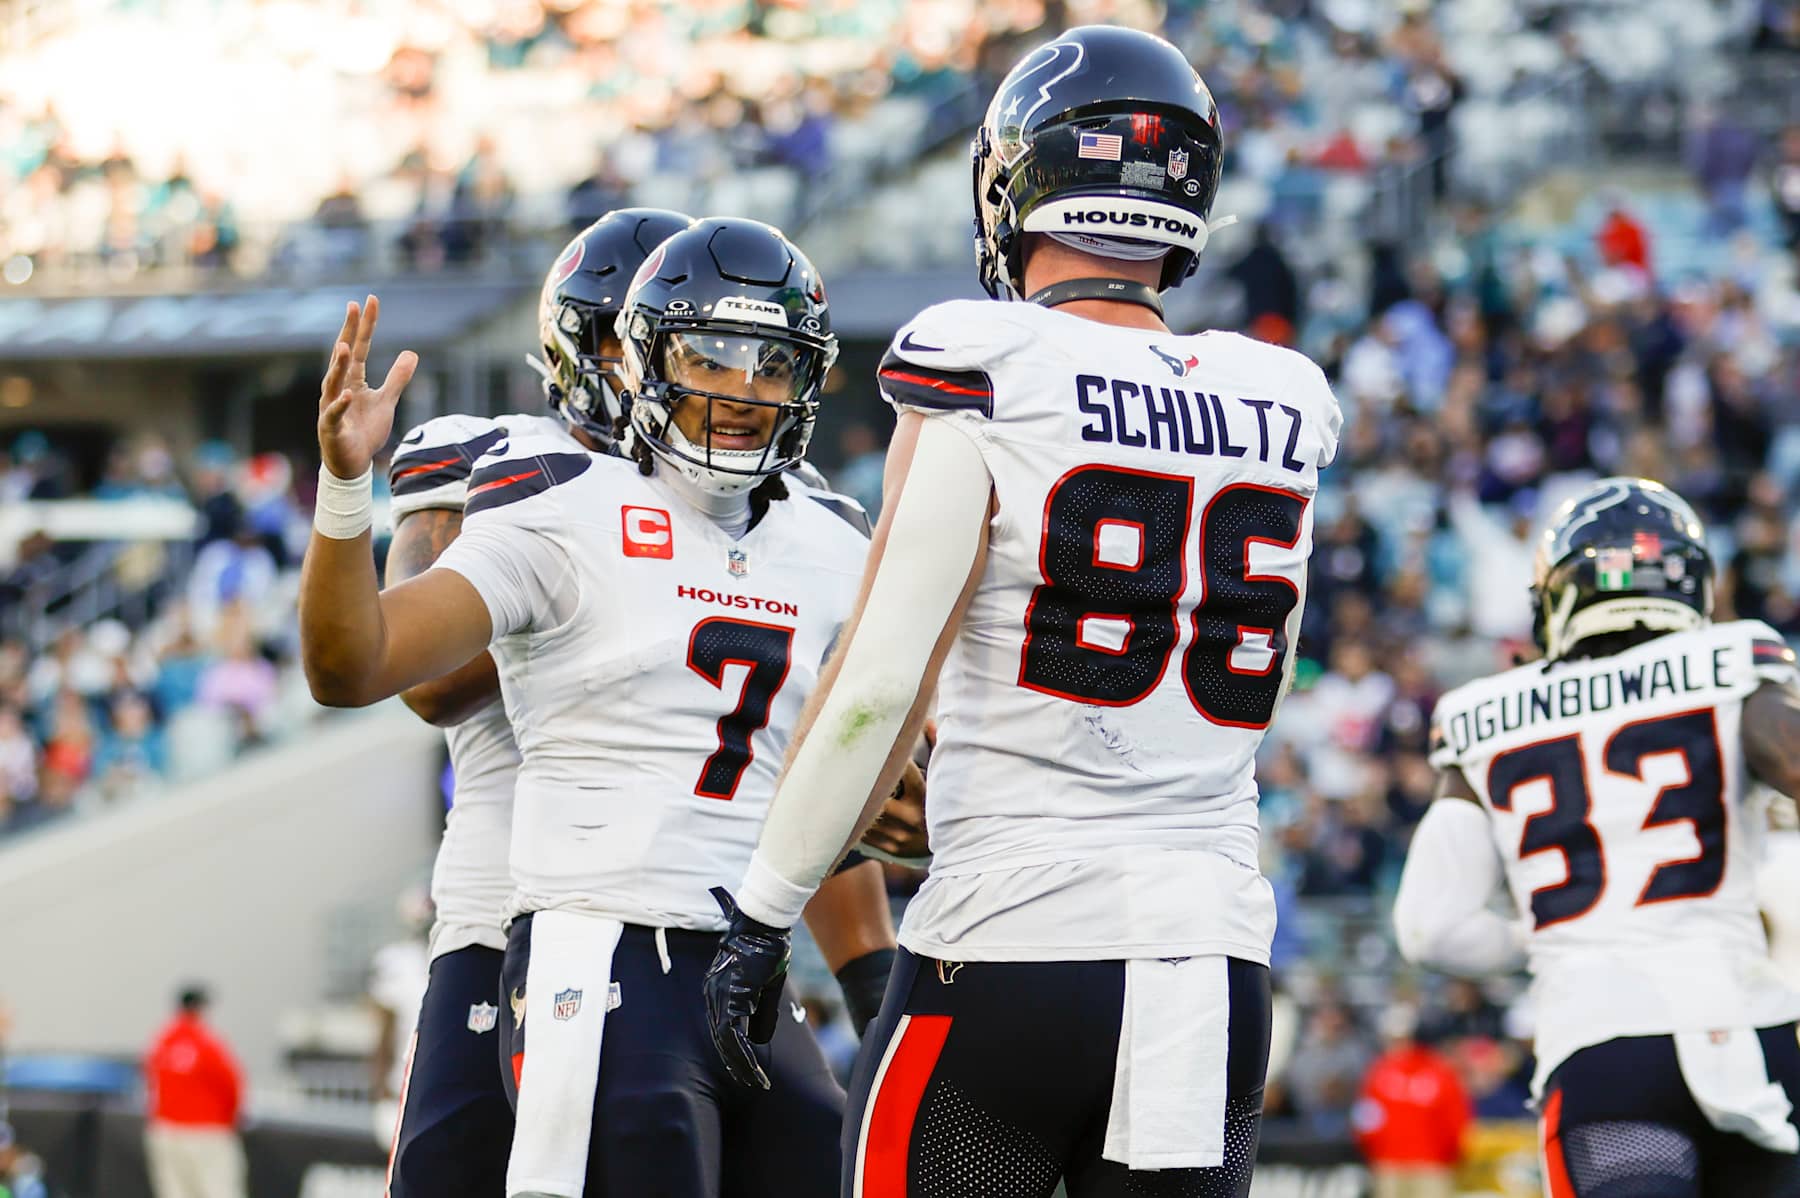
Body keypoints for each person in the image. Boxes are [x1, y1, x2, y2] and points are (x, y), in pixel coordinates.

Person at [704, 25, 1342, 1197]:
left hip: (1013, 944)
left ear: (1017, 180)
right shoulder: (1285, 395)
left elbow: (882, 679)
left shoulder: (987, 358)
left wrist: (764, 911)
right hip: (1210, 958)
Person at [299, 216, 910, 1198]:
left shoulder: (806, 526)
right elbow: (420, 682)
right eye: (700, 353)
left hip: (727, 931)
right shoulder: (536, 479)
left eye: (760, 362)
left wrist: (871, 973)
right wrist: (614, 592)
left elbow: (792, 764)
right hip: (522, 915)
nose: (734, 387)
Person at [375, 206, 693, 1198]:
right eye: (624, 341)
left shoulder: (753, 505)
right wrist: (614, 579)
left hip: (683, 917)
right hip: (499, 909)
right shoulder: (501, 462)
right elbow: (428, 682)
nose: (649, 369)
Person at [1394, 477, 1800, 1197]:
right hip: (1749, 1032)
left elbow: (1430, 928)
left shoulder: (1484, 714)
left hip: (1604, 1045)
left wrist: (1546, 937)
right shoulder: (1734, 664)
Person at [143, 985, 245, 1198]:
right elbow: (231, 1084)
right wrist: (229, 1120)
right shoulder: (206, 1042)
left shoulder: (163, 1040)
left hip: (166, 1129)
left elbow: (151, 1080)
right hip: (206, 1132)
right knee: (219, 1190)